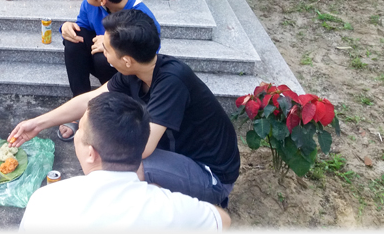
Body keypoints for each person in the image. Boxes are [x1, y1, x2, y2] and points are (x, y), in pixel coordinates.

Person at [9, 9, 240, 207]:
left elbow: (143, 149)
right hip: (176, 157)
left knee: (120, 166)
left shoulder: (172, 81)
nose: (103, 53)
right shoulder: (137, 72)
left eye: (107, 49)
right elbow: (89, 99)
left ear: (127, 60)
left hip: (211, 174)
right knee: (109, 162)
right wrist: (37, 123)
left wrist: (92, 151)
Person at [19, 92, 231, 230]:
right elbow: (223, 220)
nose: (76, 133)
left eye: (80, 129)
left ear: (91, 153)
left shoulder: (45, 201)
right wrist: (163, 194)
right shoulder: (171, 209)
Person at [58, 0, 160, 141]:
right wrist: (66, 28)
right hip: (103, 61)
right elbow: (83, 27)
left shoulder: (142, 19)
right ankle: (79, 109)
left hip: (126, 76)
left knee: (103, 57)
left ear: (103, 0)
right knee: (74, 42)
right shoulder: (91, 4)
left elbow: (146, 63)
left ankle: (110, 112)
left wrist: (108, 45)